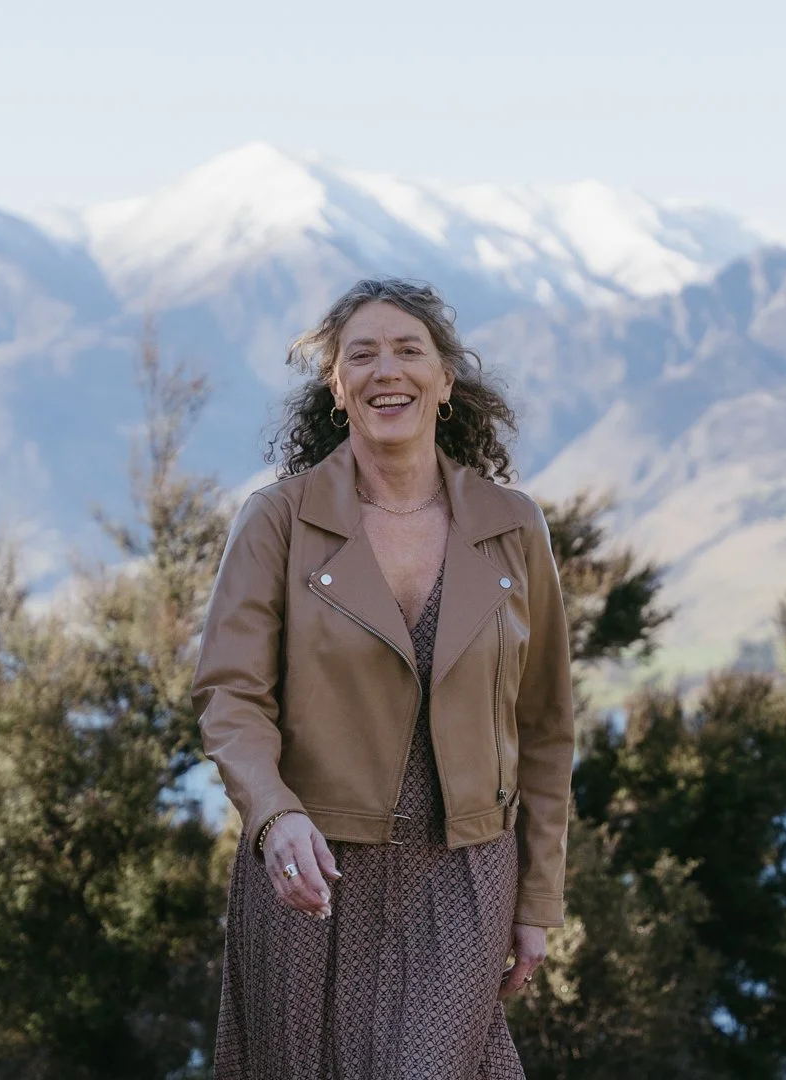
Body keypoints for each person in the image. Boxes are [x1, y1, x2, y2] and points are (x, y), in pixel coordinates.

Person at [192, 278, 574, 1079]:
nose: (384, 370)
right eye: (359, 355)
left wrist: (537, 902)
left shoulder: (513, 528)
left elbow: (545, 727)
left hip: (465, 874)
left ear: (444, 379)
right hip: (311, 869)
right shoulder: (279, 521)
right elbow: (231, 696)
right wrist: (274, 817)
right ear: (337, 386)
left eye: (408, 350)